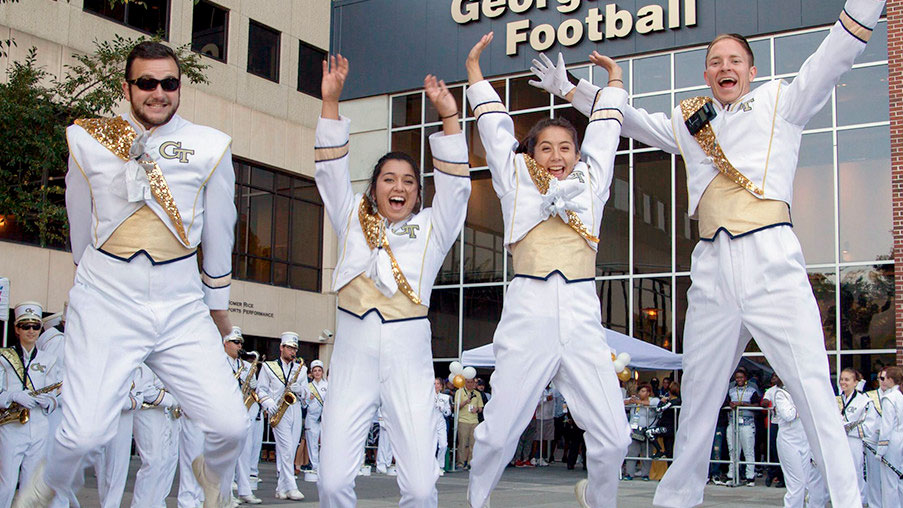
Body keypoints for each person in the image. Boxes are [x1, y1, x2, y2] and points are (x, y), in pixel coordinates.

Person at [529, 0, 885, 504]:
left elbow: (835, 55)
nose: (725, 68)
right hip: (713, 267)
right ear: (706, 73)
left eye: (734, 61)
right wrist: (572, 90)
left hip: (771, 259)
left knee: (812, 393)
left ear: (751, 70)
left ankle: (847, 502)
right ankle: (676, 500)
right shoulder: (689, 120)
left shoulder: (782, 103)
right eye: (715, 62)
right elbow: (630, 121)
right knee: (697, 401)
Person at [15, 41, 248, 508]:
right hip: (107, 296)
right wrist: (85, 278)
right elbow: (77, 211)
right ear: (128, 87)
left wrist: (216, 303)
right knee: (83, 434)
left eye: (168, 83)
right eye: (146, 83)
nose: (158, 92)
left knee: (231, 425)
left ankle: (212, 474)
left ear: (178, 88)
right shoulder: (87, 138)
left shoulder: (209, 145)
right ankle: (50, 480)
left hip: (180, 301)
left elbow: (221, 226)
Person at [465, 33, 631, 508]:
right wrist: (475, 73)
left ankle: (598, 500)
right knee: (497, 434)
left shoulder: (592, 180)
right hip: (529, 309)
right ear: (530, 153)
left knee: (615, 436)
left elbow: (605, 131)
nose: (557, 157)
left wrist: (614, 80)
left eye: (565, 148)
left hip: (581, 311)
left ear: (577, 155)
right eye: (545, 148)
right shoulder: (514, 177)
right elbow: (495, 128)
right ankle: (476, 502)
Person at [314, 54, 471, 508]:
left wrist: (447, 116)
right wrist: (330, 103)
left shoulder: (431, 230)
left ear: (419, 194)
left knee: (422, 487)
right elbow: (329, 172)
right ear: (374, 187)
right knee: (330, 483)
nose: (398, 187)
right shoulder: (350, 217)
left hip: (409, 351)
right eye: (388, 178)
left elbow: (457, 189)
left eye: (407, 181)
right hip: (353, 347)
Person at [1, 302, 61, 507]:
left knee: (30, 486)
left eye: (35, 326)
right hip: (11, 426)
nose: (31, 331)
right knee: (7, 484)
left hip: (39, 426)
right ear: (17, 329)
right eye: (25, 326)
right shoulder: (4, 357)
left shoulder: (49, 359)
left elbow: (56, 394)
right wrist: (13, 395)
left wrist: (49, 401)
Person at [256, 332, 307, 501]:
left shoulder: (301, 369)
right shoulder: (268, 366)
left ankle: (281, 488)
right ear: (282, 347)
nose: (293, 351)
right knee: (285, 449)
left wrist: (300, 389)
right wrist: (268, 403)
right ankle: (292, 487)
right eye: (290, 348)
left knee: (291, 449)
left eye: (295, 348)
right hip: (279, 409)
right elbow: (261, 389)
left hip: (295, 408)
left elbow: (306, 393)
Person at [763, 375, 827, 508]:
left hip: (803, 441)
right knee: (796, 483)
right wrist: (803, 406)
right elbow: (789, 415)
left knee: (804, 481)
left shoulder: (800, 394)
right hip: (788, 441)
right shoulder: (781, 394)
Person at [131, 363, 181, 508]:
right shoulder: (144, 357)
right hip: (148, 410)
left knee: (167, 460)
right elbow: (144, 389)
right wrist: (170, 399)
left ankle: (157, 503)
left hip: (165, 410)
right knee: (153, 462)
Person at [222, 327, 262, 505]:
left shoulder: (246, 365)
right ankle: (226, 492)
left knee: (244, 453)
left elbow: (254, 387)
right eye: (236, 343)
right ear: (226, 343)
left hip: (243, 412)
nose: (240, 346)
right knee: (226, 454)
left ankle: (245, 490)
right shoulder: (218, 361)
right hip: (224, 411)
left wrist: (253, 381)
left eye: (241, 343)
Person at [93, 368, 142, 508]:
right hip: (100, 417)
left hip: (123, 419)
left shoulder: (134, 366)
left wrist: (125, 402)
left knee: (117, 470)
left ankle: (110, 505)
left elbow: (139, 395)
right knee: (101, 468)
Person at [838, 368, 877, 506]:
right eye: (841, 379)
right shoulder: (836, 400)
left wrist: (849, 430)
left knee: (855, 475)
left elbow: (869, 427)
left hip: (854, 442)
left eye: (847, 380)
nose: (843, 382)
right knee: (840, 476)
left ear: (855, 382)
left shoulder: (864, 401)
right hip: (838, 443)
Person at [726, 369, 760, 486]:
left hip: (747, 424)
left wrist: (744, 404)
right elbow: (726, 403)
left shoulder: (752, 390)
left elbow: (757, 405)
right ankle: (732, 475)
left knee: (748, 451)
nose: (739, 379)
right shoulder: (731, 390)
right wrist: (730, 404)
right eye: (737, 378)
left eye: (741, 377)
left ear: (745, 378)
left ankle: (750, 477)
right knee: (733, 450)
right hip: (733, 423)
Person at [876, 366, 903, 508]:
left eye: (883, 378)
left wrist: (880, 450)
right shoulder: (900, 396)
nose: (882, 381)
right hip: (901, 438)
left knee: (889, 481)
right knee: (900, 479)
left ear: (891, 380)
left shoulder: (889, 398)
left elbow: (886, 427)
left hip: (892, 441)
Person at [624, 383, 660, 480]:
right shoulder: (634, 401)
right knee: (631, 452)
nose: (641, 393)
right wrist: (629, 401)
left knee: (647, 453)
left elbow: (657, 404)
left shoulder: (653, 400)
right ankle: (629, 474)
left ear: (648, 393)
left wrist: (640, 402)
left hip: (647, 431)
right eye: (640, 391)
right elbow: (620, 403)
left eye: (644, 391)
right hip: (634, 431)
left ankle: (645, 474)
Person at [864, 367, 889, 508]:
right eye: (881, 378)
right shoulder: (869, 397)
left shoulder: (897, 395)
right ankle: (875, 505)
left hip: (892, 442)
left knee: (891, 477)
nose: (883, 382)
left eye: (886, 378)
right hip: (873, 440)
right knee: (874, 477)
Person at [303, 359, 327, 482]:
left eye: (319, 370)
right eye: (315, 371)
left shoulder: (328, 385)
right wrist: (308, 399)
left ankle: (324, 467)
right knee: (312, 442)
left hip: (324, 418)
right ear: (311, 373)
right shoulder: (307, 386)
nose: (317, 373)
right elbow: (303, 405)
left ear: (322, 372)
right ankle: (315, 465)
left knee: (325, 443)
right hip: (312, 417)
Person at [456, 377, 484, 470]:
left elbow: (481, 408)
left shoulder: (477, 394)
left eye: (472, 382)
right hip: (463, 420)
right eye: (468, 382)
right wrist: (465, 402)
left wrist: (477, 409)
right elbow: (456, 406)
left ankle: (470, 462)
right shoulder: (459, 392)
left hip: (474, 421)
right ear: (464, 383)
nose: (470, 384)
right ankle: (460, 462)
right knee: (463, 442)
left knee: (473, 443)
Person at [433, 378, 452, 474]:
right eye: (434, 383)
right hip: (430, 423)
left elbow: (448, 412)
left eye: (437, 384)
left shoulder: (445, 397)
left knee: (443, 445)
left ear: (441, 386)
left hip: (440, 422)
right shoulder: (427, 397)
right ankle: (430, 466)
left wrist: (443, 409)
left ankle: (440, 466)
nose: (436, 385)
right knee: (431, 446)